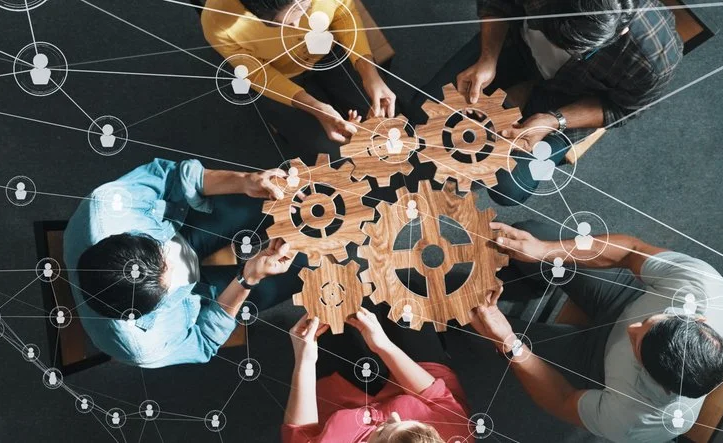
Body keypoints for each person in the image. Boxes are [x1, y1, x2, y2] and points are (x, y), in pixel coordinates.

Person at [472, 220, 723, 441]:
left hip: (594, 369)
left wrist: (509, 344)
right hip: (624, 298)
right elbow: (632, 251)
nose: (632, 329)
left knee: (467, 329)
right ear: (698, 319)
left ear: (660, 386)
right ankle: (533, 283)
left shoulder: (634, 419)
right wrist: (544, 250)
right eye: (651, 322)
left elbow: (563, 400)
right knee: (524, 233)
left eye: (637, 344)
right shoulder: (703, 286)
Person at [417, 0, 683, 205]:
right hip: (514, 48)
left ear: (619, 31)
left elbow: (622, 109)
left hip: (570, 98)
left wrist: (553, 119)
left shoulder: (655, 60)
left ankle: (534, 101)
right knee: (423, 111)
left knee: (509, 188)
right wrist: (488, 57)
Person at [64, 158, 305, 368]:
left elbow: (172, 176)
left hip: (181, 227)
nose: (181, 269)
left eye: (161, 253)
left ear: (127, 235)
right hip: (202, 295)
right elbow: (204, 341)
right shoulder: (144, 347)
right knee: (303, 269)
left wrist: (244, 181)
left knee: (285, 193)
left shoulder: (108, 206)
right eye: (169, 285)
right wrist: (247, 279)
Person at [201, 0, 397, 162]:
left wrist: (370, 74)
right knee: (328, 157)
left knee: (386, 126)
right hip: (277, 76)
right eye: (276, 24)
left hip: (328, 49)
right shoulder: (216, 20)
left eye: (305, 6)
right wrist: (315, 107)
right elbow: (257, 74)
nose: (296, 26)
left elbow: (343, 10)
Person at [281, 307, 471, 442]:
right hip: (420, 385)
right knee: (406, 293)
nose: (395, 415)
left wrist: (304, 361)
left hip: (341, 397)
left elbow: (299, 433)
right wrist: (382, 345)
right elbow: (435, 396)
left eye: (382, 431)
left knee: (336, 309)